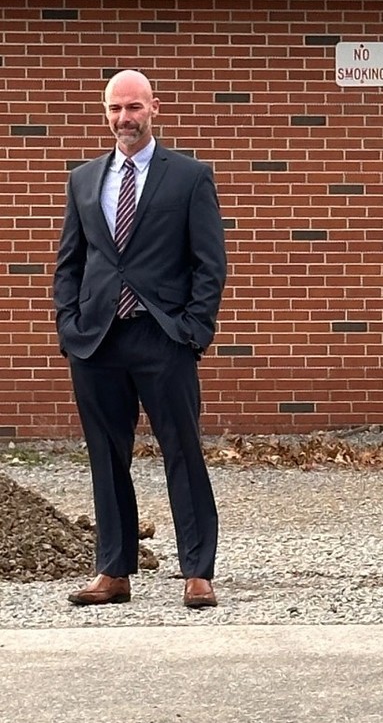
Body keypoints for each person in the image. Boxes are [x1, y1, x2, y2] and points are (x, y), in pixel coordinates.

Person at [53, 69, 227, 608]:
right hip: (97, 342)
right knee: (106, 456)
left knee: (182, 452)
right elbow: (70, 262)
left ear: (154, 108)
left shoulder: (189, 177)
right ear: (105, 113)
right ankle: (114, 570)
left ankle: (197, 571)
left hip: (163, 337)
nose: (124, 119)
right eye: (115, 109)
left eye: (134, 107)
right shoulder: (83, 179)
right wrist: (68, 324)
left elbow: (209, 263)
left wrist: (194, 331)